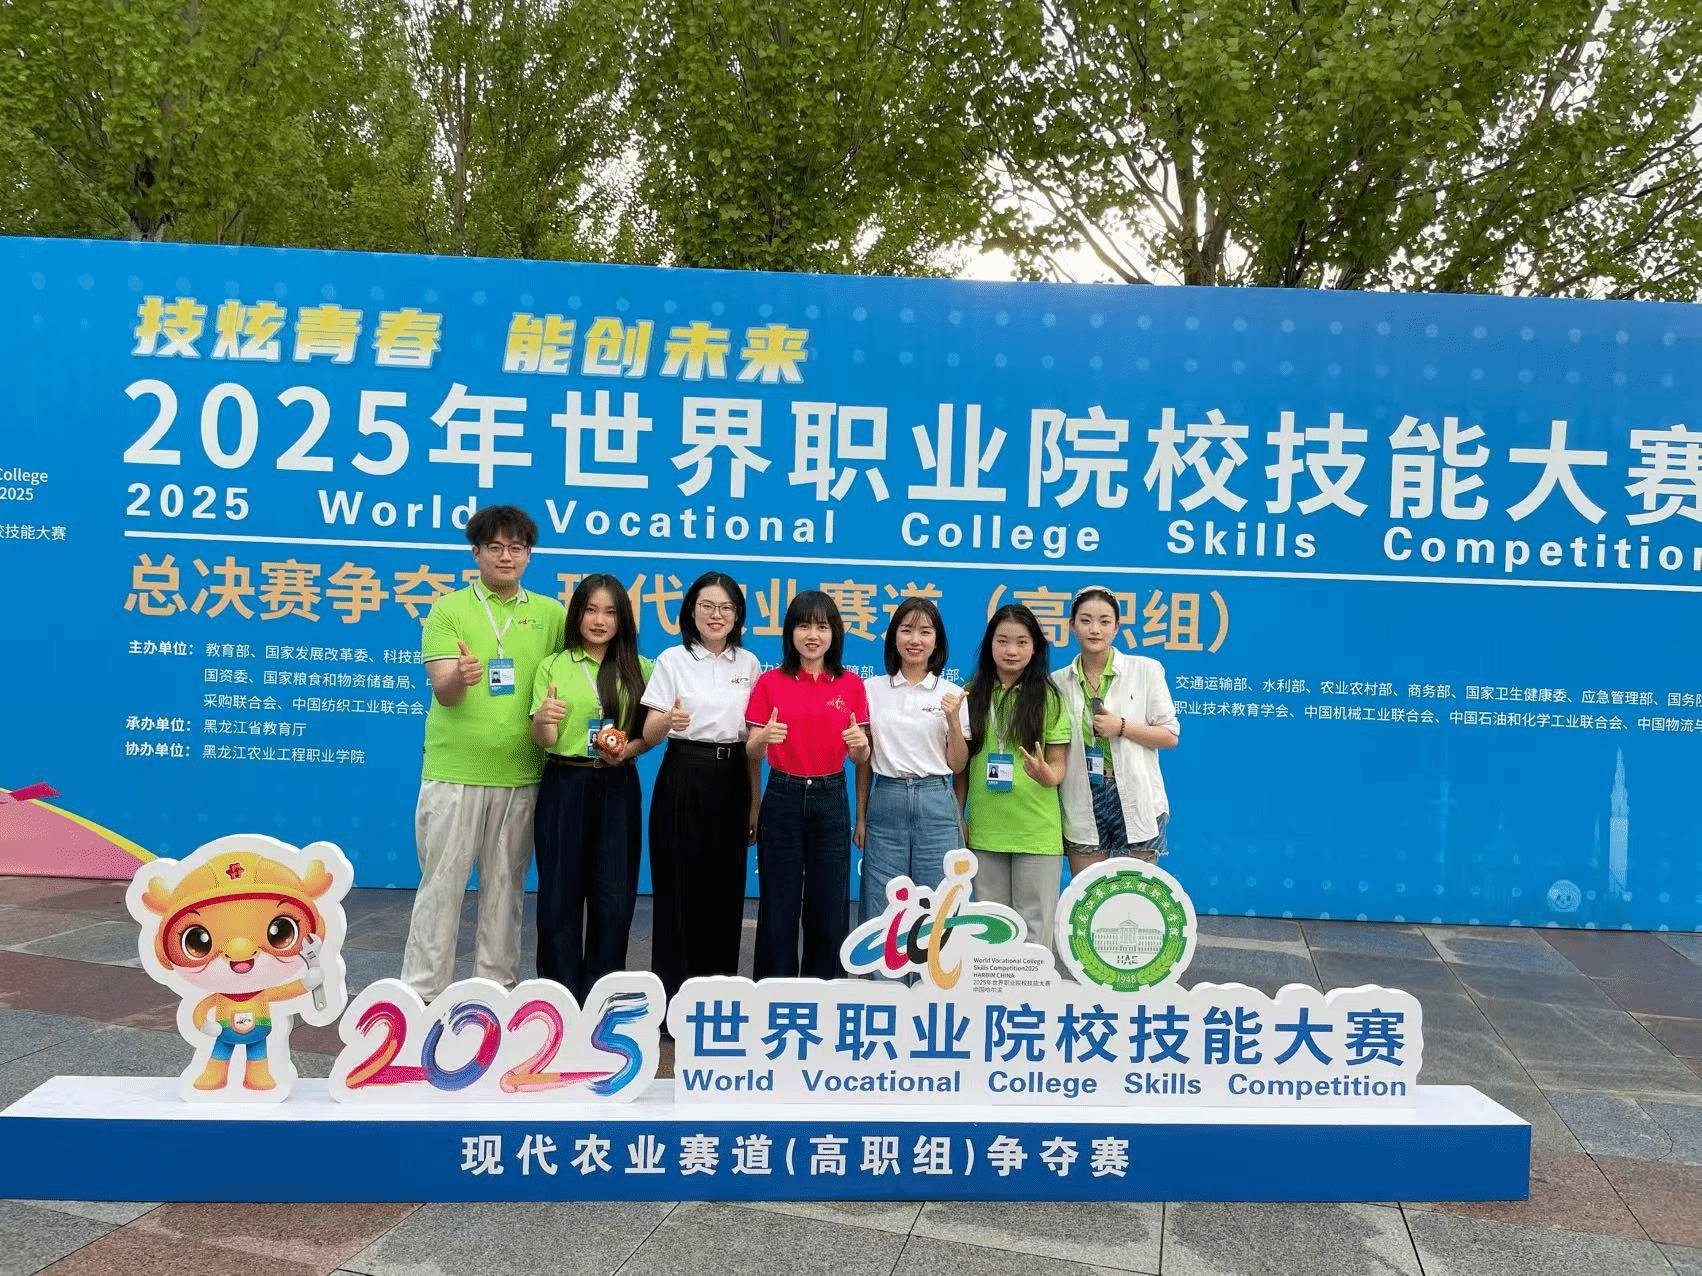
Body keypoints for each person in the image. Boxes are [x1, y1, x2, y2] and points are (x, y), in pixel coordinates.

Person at [401, 505, 564, 1001]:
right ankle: (422, 993)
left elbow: (573, 676)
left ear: (529, 555)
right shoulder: (448, 610)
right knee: (442, 886)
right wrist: (459, 677)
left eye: (516, 547)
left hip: (521, 774)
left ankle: (494, 991)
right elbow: (445, 692)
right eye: (495, 547)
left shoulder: (551, 614)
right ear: (476, 553)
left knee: (505, 891)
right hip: (454, 772)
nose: (506, 556)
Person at [529, 574, 653, 1002]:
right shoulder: (553, 665)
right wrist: (544, 720)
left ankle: (602, 997)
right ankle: (558, 998)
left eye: (610, 612)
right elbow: (544, 739)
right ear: (577, 615)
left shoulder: (641, 668)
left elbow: (647, 735)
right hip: (565, 782)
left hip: (618, 782)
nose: (599, 621)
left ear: (623, 619)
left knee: (613, 895)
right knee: (559, 893)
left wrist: (627, 750)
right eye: (591, 610)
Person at [639, 572, 761, 1000]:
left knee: (725, 890)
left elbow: (752, 742)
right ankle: (672, 999)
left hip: (732, 777)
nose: (716, 615)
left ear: (737, 615)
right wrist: (667, 720)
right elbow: (649, 732)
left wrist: (754, 804)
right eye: (707, 606)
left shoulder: (748, 664)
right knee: (678, 888)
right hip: (683, 773)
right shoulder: (672, 660)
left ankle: (717, 1000)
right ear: (691, 611)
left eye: (726, 607)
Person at [746, 590, 871, 980]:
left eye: (822, 626)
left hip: (830, 797)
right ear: (790, 633)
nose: (813, 635)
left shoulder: (851, 685)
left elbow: (861, 758)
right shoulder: (770, 682)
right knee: (778, 903)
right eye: (804, 626)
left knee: (829, 905)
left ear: (835, 633)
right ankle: (773, 993)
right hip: (782, 794)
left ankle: (824, 994)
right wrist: (762, 739)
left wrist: (862, 747)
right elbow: (751, 751)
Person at [960, 603, 1070, 950]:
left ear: (1035, 647)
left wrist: (1047, 775)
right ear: (989, 644)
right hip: (986, 830)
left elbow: (1059, 766)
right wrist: (959, 816)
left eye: (1022, 642)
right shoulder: (971, 693)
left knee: (1034, 931)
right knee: (991, 931)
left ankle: (1034, 989)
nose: (1011, 650)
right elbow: (961, 768)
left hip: (1036, 831)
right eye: (1003, 641)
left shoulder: (1049, 697)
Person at [1053, 586, 1180, 877]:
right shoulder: (1058, 682)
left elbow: (1170, 735)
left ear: (1116, 627)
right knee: (1088, 891)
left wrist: (1121, 727)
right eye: (1085, 620)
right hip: (1082, 792)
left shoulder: (1145, 670)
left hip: (1135, 792)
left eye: (1104, 621)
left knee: (1134, 893)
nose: (1094, 629)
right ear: (1072, 625)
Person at [855, 597, 968, 918]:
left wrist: (954, 721)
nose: (915, 640)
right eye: (906, 630)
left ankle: (932, 957)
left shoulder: (952, 693)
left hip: (936, 801)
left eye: (925, 632)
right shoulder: (871, 690)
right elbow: (864, 762)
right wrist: (861, 817)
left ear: (937, 641)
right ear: (894, 637)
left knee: (937, 905)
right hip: (886, 799)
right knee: (882, 905)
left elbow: (958, 765)